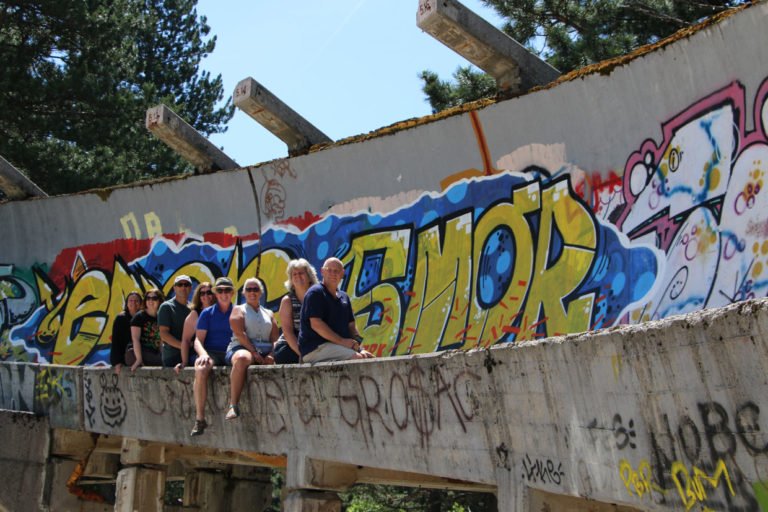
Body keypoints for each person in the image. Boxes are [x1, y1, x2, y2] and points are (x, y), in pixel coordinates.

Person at [298, 257, 374, 363]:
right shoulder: (315, 293)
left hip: (337, 346)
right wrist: (343, 342)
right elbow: (316, 324)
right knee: (357, 359)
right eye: (329, 270)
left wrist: (360, 348)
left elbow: (351, 326)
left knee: (367, 357)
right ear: (322, 271)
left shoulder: (344, 297)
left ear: (342, 274)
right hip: (315, 348)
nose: (333, 273)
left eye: (336, 271)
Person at [224, 277, 278, 420]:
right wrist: (253, 352)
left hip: (265, 350)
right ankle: (233, 405)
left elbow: (275, 339)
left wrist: (272, 354)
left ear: (260, 292)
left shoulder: (269, 313)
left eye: (255, 289)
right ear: (244, 293)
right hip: (241, 347)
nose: (252, 292)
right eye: (249, 289)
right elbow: (239, 334)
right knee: (242, 358)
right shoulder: (238, 310)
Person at [190, 277, 235, 436]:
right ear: (216, 293)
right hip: (211, 352)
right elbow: (197, 340)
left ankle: (234, 409)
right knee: (201, 369)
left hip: (231, 351)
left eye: (227, 290)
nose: (224, 294)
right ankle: (200, 419)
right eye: (220, 290)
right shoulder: (207, 313)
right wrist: (203, 354)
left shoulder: (238, 312)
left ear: (232, 293)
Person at [274, 258, 319, 364]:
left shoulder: (318, 298)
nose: (298, 276)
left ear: (309, 277)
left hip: (314, 342)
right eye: (294, 274)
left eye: (301, 273)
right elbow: (288, 333)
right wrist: (303, 354)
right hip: (291, 345)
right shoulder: (287, 301)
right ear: (291, 280)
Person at [175, 281, 214, 374]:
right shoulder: (195, 314)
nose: (206, 295)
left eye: (209, 292)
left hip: (218, 352)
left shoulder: (219, 311)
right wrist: (184, 362)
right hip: (200, 354)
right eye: (202, 293)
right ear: (199, 296)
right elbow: (186, 340)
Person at [126, 288, 165, 371]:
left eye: (154, 298)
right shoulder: (139, 317)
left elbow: (162, 339)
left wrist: (162, 355)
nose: (151, 301)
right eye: (148, 298)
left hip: (154, 353)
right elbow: (135, 339)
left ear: (159, 301)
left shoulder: (161, 316)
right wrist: (139, 360)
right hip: (137, 352)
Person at [158, 275, 191, 368]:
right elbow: (164, 334)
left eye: (186, 284)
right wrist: (184, 347)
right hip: (172, 356)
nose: (183, 287)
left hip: (190, 353)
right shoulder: (166, 307)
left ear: (190, 288)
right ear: (174, 288)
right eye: (180, 284)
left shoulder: (193, 308)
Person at [110, 292, 142, 374]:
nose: (133, 303)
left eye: (136, 301)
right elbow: (116, 341)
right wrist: (117, 361)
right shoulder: (121, 318)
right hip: (126, 357)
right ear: (127, 303)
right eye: (131, 300)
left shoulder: (143, 318)